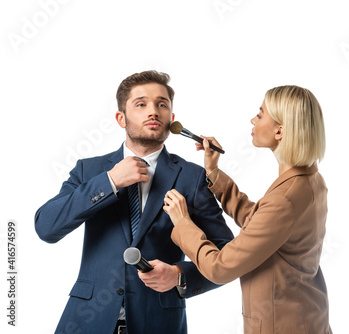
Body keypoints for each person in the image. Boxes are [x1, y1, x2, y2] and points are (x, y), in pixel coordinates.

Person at [34, 70, 234, 334]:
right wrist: (109, 182)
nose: (153, 111)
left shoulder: (192, 177)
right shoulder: (90, 170)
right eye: (141, 104)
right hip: (85, 322)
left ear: (171, 119)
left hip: (160, 324)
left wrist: (179, 275)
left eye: (162, 104)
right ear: (121, 118)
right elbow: (46, 227)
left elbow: (229, 256)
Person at [160, 85, 332, 333]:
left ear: (280, 131)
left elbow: (219, 268)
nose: (253, 119)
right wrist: (214, 174)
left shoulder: (285, 198)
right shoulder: (310, 179)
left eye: (260, 114)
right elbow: (263, 224)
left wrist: (183, 222)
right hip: (308, 317)